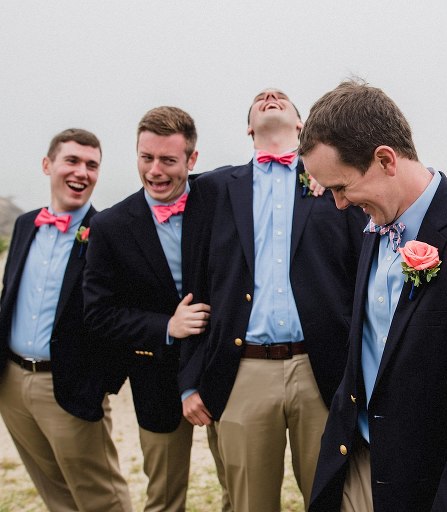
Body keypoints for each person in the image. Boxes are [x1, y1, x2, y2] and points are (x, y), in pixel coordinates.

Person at [300, 80, 447, 512]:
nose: (337, 204)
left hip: (436, 487)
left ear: (385, 159)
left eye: (341, 187)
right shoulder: (374, 228)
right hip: (357, 468)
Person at [179, 88, 366, 511]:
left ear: (301, 125)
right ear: (249, 128)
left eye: (281, 97)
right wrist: (190, 379)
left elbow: (360, 277)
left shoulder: (338, 183)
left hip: (321, 372)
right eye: (260, 99)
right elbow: (194, 287)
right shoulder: (210, 189)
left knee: (331, 498)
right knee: (249, 503)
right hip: (242, 372)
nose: (269, 96)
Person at [83, 107, 210, 511]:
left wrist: (308, 179)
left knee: (240, 491)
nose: (155, 170)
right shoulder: (110, 226)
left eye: (168, 161)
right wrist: (167, 326)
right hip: (157, 380)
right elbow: (98, 313)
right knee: (164, 498)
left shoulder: (221, 199)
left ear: (192, 160)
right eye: (146, 157)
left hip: (224, 368)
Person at [0, 128, 132, 511]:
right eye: (72, 161)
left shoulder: (107, 232)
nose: (82, 172)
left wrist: (100, 383)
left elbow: (120, 311)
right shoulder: (26, 224)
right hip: (13, 383)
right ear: (48, 165)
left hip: (69, 386)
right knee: (54, 494)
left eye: (92, 165)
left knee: (101, 496)